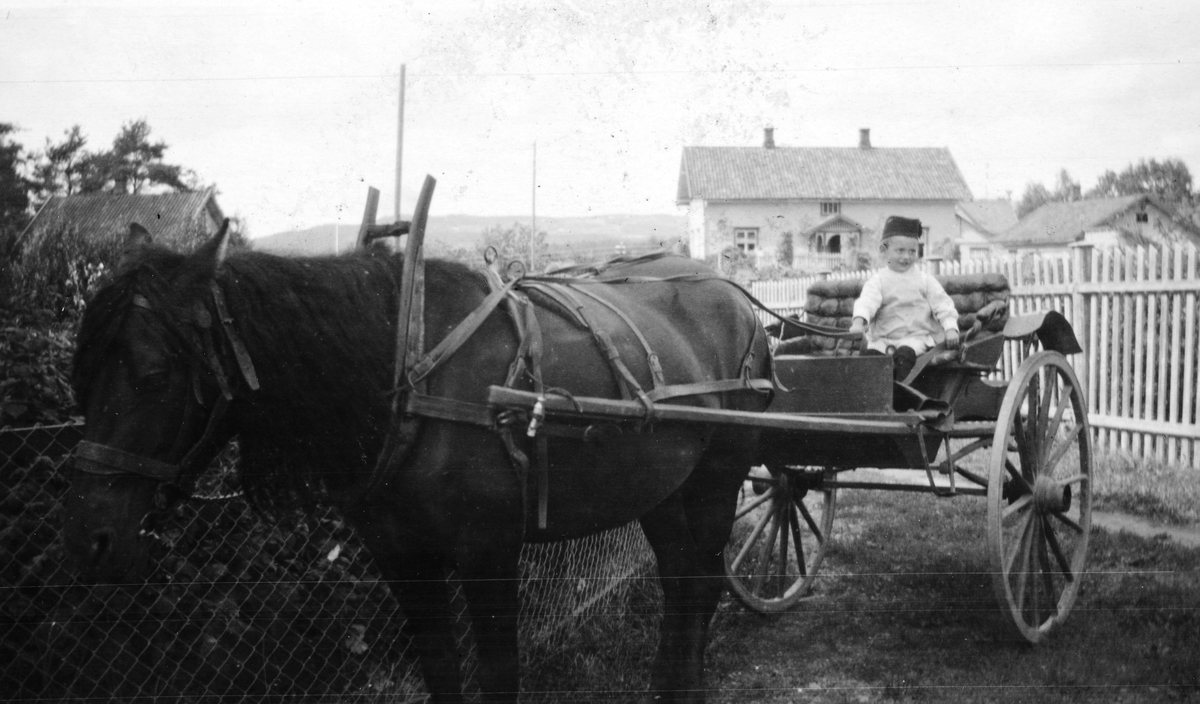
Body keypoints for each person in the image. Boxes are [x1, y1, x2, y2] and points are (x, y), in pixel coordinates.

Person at [849, 216, 959, 381]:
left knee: (905, 356)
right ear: (884, 250)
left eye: (912, 251)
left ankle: (903, 398)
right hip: (883, 339)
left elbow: (943, 305)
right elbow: (867, 302)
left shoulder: (924, 280)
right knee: (870, 359)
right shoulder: (878, 280)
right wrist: (858, 322)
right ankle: (875, 400)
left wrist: (950, 328)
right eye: (900, 250)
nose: (906, 257)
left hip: (914, 338)